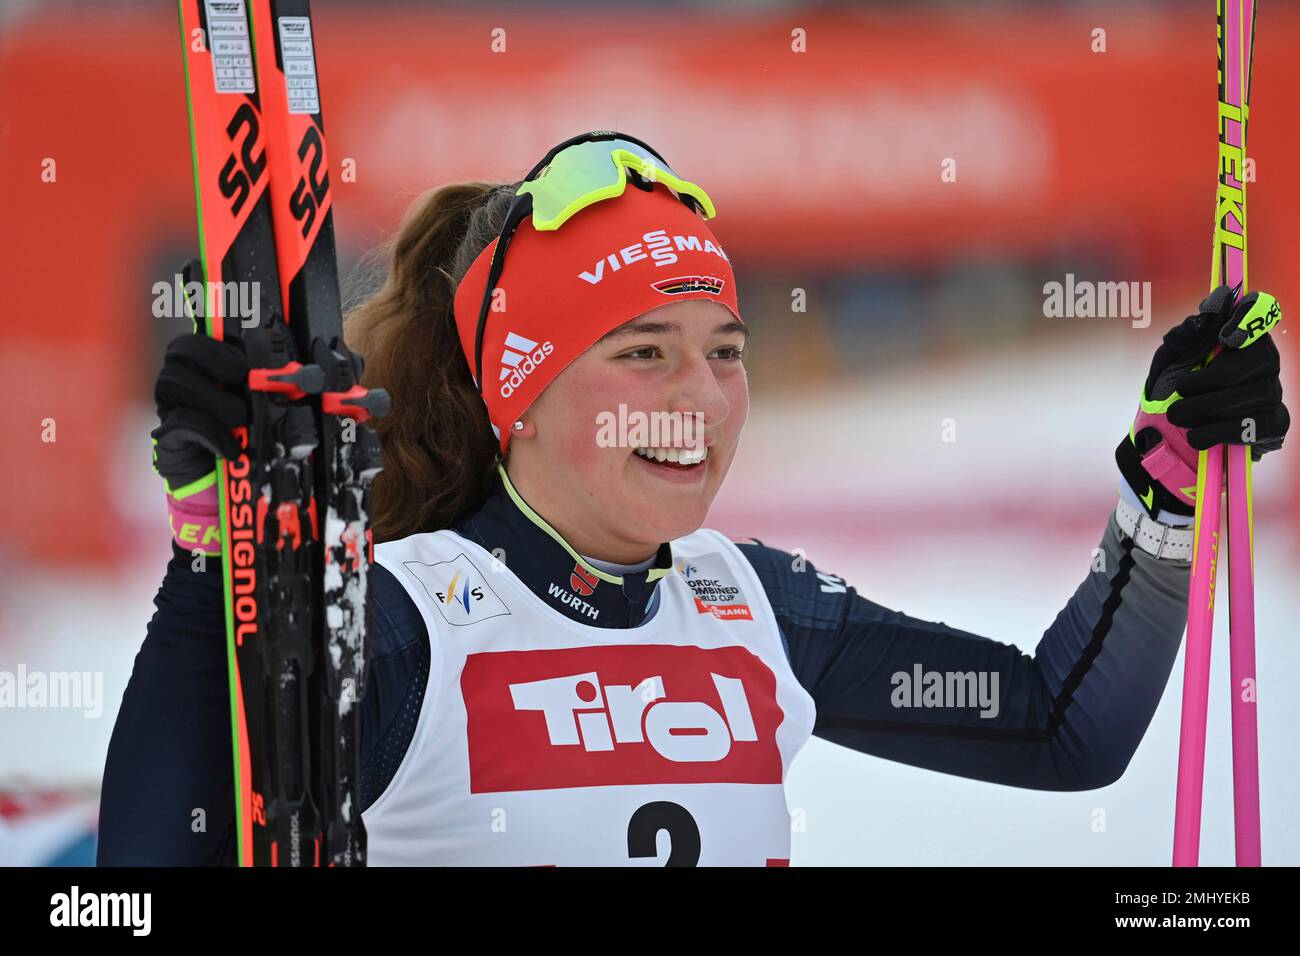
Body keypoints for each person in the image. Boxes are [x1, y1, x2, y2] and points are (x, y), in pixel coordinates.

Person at [98, 132, 1289, 866]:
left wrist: (1165, 486)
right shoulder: (408, 615)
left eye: (726, 349)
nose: (702, 397)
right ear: (519, 386)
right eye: (641, 351)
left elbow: (1058, 726)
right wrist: (214, 556)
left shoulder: (748, 603)